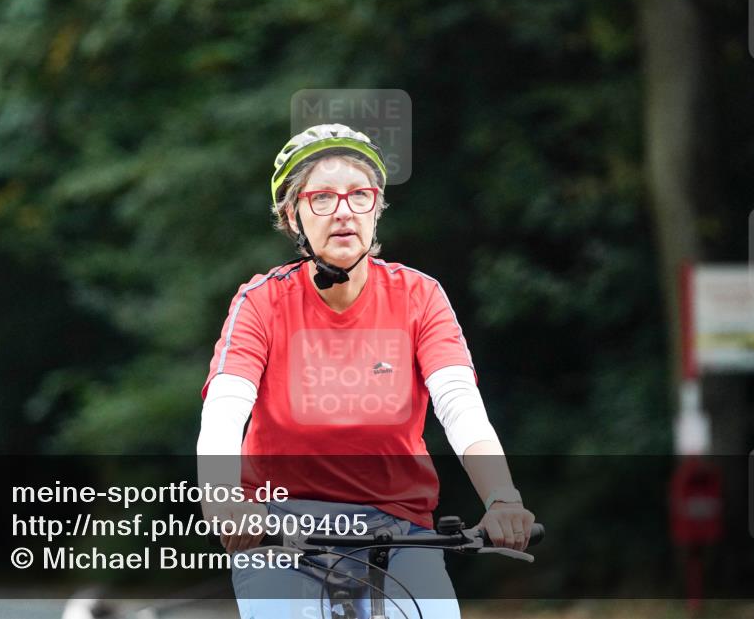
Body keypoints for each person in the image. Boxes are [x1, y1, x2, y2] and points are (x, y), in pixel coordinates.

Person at [197, 124, 534, 619]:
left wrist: (504, 498)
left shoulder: (420, 297)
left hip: (398, 530)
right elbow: (223, 415)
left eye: (359, 196)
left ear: (376, 209)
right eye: (322, 198)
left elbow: (461, 409)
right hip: (280, 529)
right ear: (293, 216)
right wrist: (225, 501)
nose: (343, 212)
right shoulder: (262, 302)